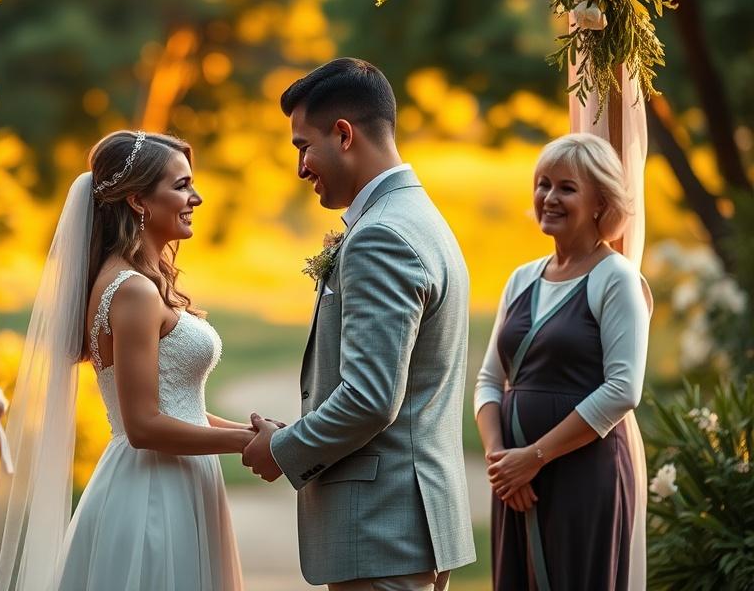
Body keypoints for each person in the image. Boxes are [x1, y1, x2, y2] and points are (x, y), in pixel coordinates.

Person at [0, 130, 252, 591]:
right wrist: (243, 444)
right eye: (181, 185)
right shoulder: (133, 290)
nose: (196, 198)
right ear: (138, 200)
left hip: (177, 481)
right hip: (155, 496)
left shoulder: (136, 281)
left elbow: (180, 406)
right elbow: (143, 426)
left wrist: (252, 432)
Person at [242, 57, 476, 591]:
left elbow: (370, 398)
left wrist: (284, 449)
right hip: (406, 525)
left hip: (381, 529)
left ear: (344, 135)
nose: (300, 168)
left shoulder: (381, 236)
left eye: (303, 146)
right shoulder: (420, 216)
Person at [474, 132, 650, 591]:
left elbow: (623, 390)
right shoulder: (521, 279)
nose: (549, 197)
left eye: (566, 188)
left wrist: (534, 457)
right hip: (515, 483)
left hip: (584, 476)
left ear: (600, 203)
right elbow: (489, 379)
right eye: (543, 184)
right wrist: (502, 462)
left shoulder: (616, 279)